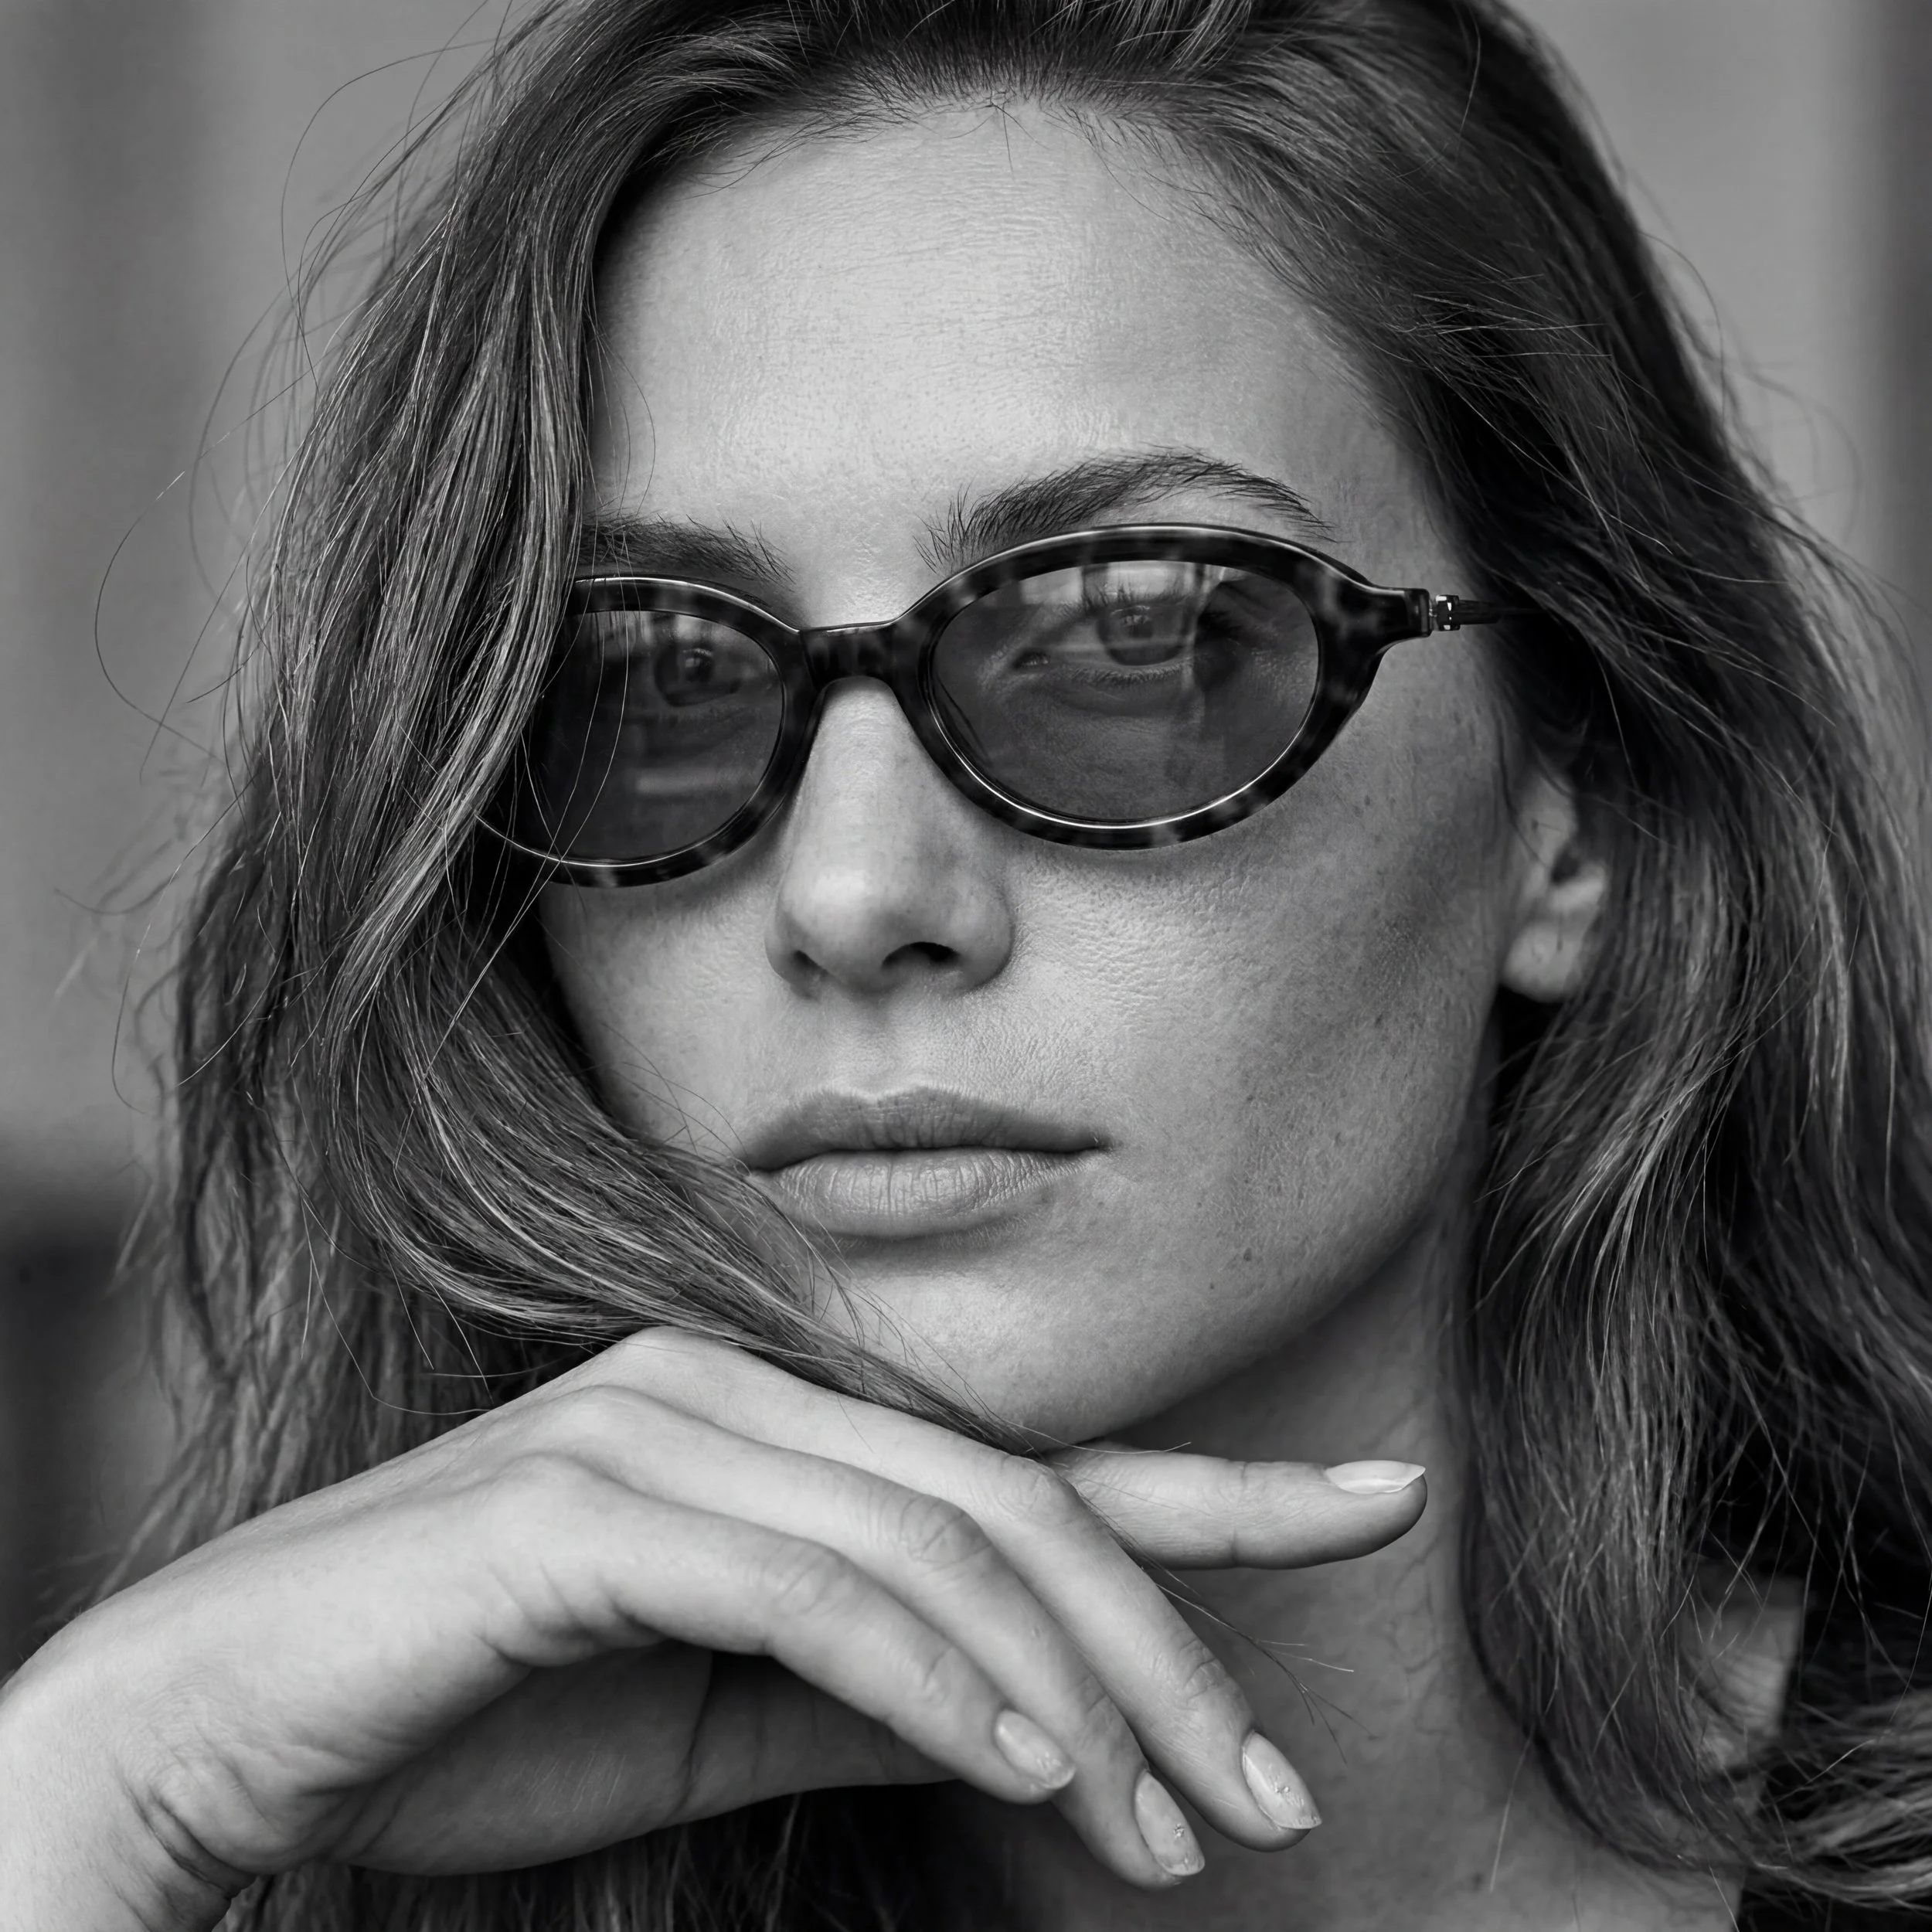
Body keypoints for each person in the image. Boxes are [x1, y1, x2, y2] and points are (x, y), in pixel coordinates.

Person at [4, 0, 1930, 1925]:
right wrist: (108, 1789)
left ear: (1564, 806)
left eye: (1133, 637)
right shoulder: (302, 1832)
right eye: (648, 679)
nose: (850, 891)